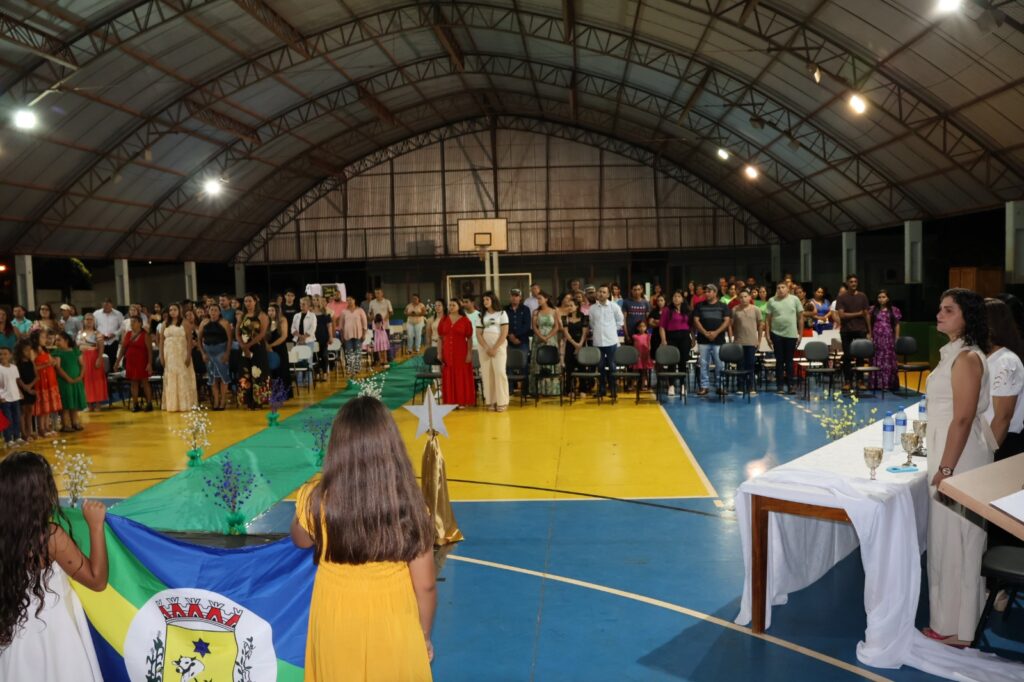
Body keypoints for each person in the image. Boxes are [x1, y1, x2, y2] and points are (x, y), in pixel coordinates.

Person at [290, 396, 435, 681]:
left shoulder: (317, 499)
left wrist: (306, 509)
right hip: (393, 618)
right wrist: (424, 635)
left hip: (335, 618)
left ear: (338, 449)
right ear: (391, 447)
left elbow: (300, 540)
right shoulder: (412, 505)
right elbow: (426, 585)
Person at [923, 288, 996, 647]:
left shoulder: (966, 357)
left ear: (966, 317)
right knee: (948, 540)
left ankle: (958, 628)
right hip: (951, 450)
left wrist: (947, 469)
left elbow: (964, 418)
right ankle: (951, 619)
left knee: (957, 541)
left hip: (960, 457)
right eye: (940, 308)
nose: (940, 314)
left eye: (948, 310)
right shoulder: (953, 353)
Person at [0, 452, 108, 680]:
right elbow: (97, 581)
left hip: (13, 632)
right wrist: (95, 527)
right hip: (53, 632)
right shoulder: (49, 538)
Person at [692, 284, 731, 397]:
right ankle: (704, 387)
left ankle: (720, 386)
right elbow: (696, 320)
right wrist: (705, 333)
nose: (706, 293)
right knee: (703, 364)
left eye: (709, 291)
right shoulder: (699, 306)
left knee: (720, 365)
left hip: (718, 340)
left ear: (715, 293)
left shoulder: (723, 306)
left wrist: (716, 332)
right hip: (703, 340)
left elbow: (727, 321)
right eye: (706, 291)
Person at [158, 303, 197, 413]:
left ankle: (185, 403)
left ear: (179, 311)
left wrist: (189, 355)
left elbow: (189, 340)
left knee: (182, 376)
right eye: (171, 310)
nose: (172, 312)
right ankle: (172, 404)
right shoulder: (165, 324)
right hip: (169, 355)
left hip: (181, 354)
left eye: (175, 309)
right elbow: (161, 341)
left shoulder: (185, 323)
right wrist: (161, 355)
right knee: (171, 378)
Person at [765, 282, 802, 395]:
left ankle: (791, 385)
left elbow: (800, 318)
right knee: (779, 361)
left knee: (789, 361)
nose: (780, 289)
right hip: (776, 334)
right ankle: (780, 386)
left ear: (788, 289)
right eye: (778, 288)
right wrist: (767, 335)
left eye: (783, 287)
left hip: (791, 334)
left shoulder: (795, 299)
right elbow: (767, 320)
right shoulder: (771, 301)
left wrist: (800, 334)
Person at [437, 299, 475, 407]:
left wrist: (469, 353)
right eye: (449, 305)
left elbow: (469, 338)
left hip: (461, 352)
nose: (451, 307)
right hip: (447, 352)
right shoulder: (443, 319)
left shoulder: (465, 321)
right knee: (448, 374)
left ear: (459, 306)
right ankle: (450, 402)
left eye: (453, 305)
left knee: (460, 376)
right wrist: (439, 353)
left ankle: (461, 401)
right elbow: (440, 338)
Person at [476, 291, 510, 412]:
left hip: (498, 346)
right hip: (484, 347)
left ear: (493, 300)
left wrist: (495, 348)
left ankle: (502, 401)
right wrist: (486, 348)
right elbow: (478, 334)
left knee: (500, 372)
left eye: (487, 299)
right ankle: (491, 401)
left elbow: (504, 332)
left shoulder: (502, 313)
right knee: (487, 373)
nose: (485, 302)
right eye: (484, 299)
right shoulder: (480, 316)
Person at [836, 276, 871, 389]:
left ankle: (860, 381)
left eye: (855, 281)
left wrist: (869, 331)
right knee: (847, 357)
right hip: (846, 331)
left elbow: (866, 314)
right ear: (847, 283)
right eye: (851, 282)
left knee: (860, 357)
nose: (853, 283)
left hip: (861, 330)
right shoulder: (841, 297)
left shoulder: (862, 296)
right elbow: (842, 315)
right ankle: (847, 381)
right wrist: (858, 314)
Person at [589, 285, 624, 400]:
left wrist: (611, 330)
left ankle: (613, 389)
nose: (601, 294)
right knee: (600, 367)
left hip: (611, 341)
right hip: (598, 341)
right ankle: (602, 389)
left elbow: (620, 321)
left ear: (608, 294)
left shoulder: (614, 307)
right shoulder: (592, 308)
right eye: (599, 291)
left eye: (604, 292)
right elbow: (592, 323)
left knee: (613, 367)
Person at [237, 294, 270, 409]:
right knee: (245, 373)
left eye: (250, 301)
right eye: (245, 301)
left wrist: (248, 345)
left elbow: (262, 334)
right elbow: (237, 333)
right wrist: (243, 345)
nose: (247, 303)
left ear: (255, 302)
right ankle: (247, 400)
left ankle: (259, 400)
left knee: (258, 374)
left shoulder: (262, 315)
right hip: (244, 348)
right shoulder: (242, 316)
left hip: (257, 348)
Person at [115, 316, 152, 412]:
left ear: (140, 323)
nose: (132, 324)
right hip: (131, 362)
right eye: (131, 322)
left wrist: (150, 363)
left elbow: (150, 351)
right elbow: (123, 349)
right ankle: (135, 404)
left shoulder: (145, 335)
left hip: (142, 361)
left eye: (134, 322)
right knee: (133, 383)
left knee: (144, 382)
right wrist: (117, 361)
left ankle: (149, 403)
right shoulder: (128, 334)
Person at [659, 290, 692, 397]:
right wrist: (664, 340)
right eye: (674, 296)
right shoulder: (667, 310)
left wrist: (693, 338)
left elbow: (691, 326)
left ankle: (683, 385)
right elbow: (662, 327)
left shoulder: (687, 310)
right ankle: (671, 385)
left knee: (683, 362)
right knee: (672, 362)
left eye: (678, 296)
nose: (676, 298)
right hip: (672, 337)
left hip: (685, 337)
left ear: (682, 299)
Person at [200, 304, 232, 411]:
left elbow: (230, 340)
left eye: (215, 310)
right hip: (209, 353)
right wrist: (203, 353)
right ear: (208, 311)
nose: (213, 312)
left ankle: (223, 401)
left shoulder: (225, 323)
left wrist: (227, 353)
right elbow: (200, 340)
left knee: (223, 378)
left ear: (219, 312)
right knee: (212, 378)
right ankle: (216, 401)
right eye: (211, 310)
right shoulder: (204, 323)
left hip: (221, 352)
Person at [530, 292, 562, 396]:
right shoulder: (536, 312)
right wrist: (541, 337)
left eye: (540, 298)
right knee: (538, 364)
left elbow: (557, 326)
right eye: (537, 299)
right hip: (538, 339)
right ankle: (538, 390)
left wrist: (547, 337)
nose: (538, 301)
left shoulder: (554, 311)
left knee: (550, 363)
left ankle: (551, 390)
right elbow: (534, 326)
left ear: (546, 299)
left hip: (551, 339)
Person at [52, 332, 86, 432]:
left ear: (66, 340)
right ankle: (65, 424)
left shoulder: (75, 351)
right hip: (64, 381)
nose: (57, 342)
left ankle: (75, 422)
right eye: (56, 340)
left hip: (76, 380)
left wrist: (80, 376)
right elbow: (58, 368)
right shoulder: (57, 352)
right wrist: (67, 378)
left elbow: (82, 364)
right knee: (66, 403)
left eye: (59, 340)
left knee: (74, 402)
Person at [731, 290, 763, 395]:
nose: (743, 298)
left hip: (751, 342)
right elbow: (730, 324)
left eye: (745, 296)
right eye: (741, 297)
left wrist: (759, 340)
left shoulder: (756, 310)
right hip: (738, 342)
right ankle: (740, 386)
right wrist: (732, 338)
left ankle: (750, 386)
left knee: (750, 365)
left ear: (750, 297)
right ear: (738, 299)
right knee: (740, 365)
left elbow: (760, 326)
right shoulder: (735, 310)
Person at [869, 290, 902, 391]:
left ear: (888, 298)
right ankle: (876, 384)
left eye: (883, 297)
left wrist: (897, 337)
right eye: (879, 297)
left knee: (888, 361)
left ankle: (888, 384)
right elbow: (869, 324)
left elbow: (896, 324)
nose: (881, 299)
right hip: (876, 339)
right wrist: (869, 335)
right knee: (876, 360)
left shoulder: (894, 310)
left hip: (888, 339)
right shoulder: (872, 309)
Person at [31, 331, 62, 433]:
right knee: (43, 404)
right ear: (36, 339)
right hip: (41, 380)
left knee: (48, 403)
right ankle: (41, 427)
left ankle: (47, 426)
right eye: (43, 337)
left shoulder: (45, 350)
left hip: (49, 378)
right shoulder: (33, 351)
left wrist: (53, 362)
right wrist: (46, 365)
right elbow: (32, 367)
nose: (45, 339)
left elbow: (51, 361)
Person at [76, 313, 108, 410]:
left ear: (94, 321)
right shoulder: (79, 333)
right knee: (85, 380)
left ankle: (98, 403)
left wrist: (99, 358)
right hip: (82, 357)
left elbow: (101, 347)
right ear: (83, 321)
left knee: (95, 380)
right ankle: (88, 404)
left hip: (93, 357)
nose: (89, 321)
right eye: (87, 319)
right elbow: (77, 346)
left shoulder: (97, 333)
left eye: (91, 319)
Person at [561, 298, 588, 394]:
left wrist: (580, 344)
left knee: (582, 367)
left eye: (571, 305)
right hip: (570, 344)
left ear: (577, 307)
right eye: (567, 306)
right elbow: (566, 332)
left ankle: (583, 389)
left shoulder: (584, 317)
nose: (569, 307)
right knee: (569, 368)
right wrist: (574, 344)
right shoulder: (564, 318)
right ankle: (569, 389)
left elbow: (584, 332)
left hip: (581, 344)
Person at [266, 303, 293, 399]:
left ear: (277, 311)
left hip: (279, 349)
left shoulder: (282, 320)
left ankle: (283, 393)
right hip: (268, 349)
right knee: (271, 371)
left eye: (272, 310)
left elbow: (284, 336)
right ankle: (272, 392)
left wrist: (271, 345)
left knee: (281, 370)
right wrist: (267, 346)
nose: (270, 313)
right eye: (269, 310)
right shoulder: (267, 322)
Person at [0, 346, 24, 445]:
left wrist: (20, 392)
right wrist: (1, 396)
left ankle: (17, 436)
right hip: (5, 398)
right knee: (8, 419)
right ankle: (8, 439)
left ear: (10, 355)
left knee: (16, 417)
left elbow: (15, 381)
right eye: (0, 354)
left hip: (15, 396)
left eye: (5, 354)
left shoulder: (14, 368)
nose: (2, 356)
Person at [339, 296, 368, 375]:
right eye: (347, 300)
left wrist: (364, 334)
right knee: (349, 353)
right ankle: (350, 368)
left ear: (354, 300)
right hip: (347, 335)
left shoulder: (360, 310)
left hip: (358, 335)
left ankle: (357, 368)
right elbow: (341, 325)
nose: (349, 301)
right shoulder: (344, 312)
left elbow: (365, 323)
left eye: (351, 299)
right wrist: (341, 336)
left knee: (357, 352)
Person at [15, 341, 37, 441]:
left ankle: (30, 431)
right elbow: (17, 378)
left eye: (29, 350)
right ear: (20, 351)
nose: (28, 352)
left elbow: (37, 376)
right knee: (23, 412)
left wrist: (30, 386)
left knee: (30, 411)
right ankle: (23, 433)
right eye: (26, 350)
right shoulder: (17, 364)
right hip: (22, 390)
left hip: (31, 388)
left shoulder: (31, 362)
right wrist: (26, 388)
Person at [505, 288, 532, 357]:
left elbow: (527, 325)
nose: (514, 298)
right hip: (508, 341)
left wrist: (515, 336)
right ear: (509, 297)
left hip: (523, 341)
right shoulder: (505, 309)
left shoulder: (526, 309)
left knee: (524, 364)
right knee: (509, 365)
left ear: (520, 297)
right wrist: (510, 335)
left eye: (516, 296)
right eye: (512, 296)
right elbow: (504, 324)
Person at [313, 297, 333, 379]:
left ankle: (325, 372)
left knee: (324, 355)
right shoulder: (310, 313)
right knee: (315, 355)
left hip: (324, 336)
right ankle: (317, 372)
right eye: (314, 300)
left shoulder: (326, 313)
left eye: (317, 299)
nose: (315, 301)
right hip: (313, 337)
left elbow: (329, 326)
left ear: (320, 301)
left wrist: (331, 336)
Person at [631, 320, 653, 390]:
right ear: (637, 328)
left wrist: (648, 352)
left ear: (646, 328)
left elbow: (649, 346)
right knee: (635, 371)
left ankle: (643, 385)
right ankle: (632, 385)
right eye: (640, 326)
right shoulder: (635, 336)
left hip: (645, 355)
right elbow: (635, 346)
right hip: (638, 356)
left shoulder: (648, 336)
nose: (642, 328)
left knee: (644, 371)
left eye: (643, 326)